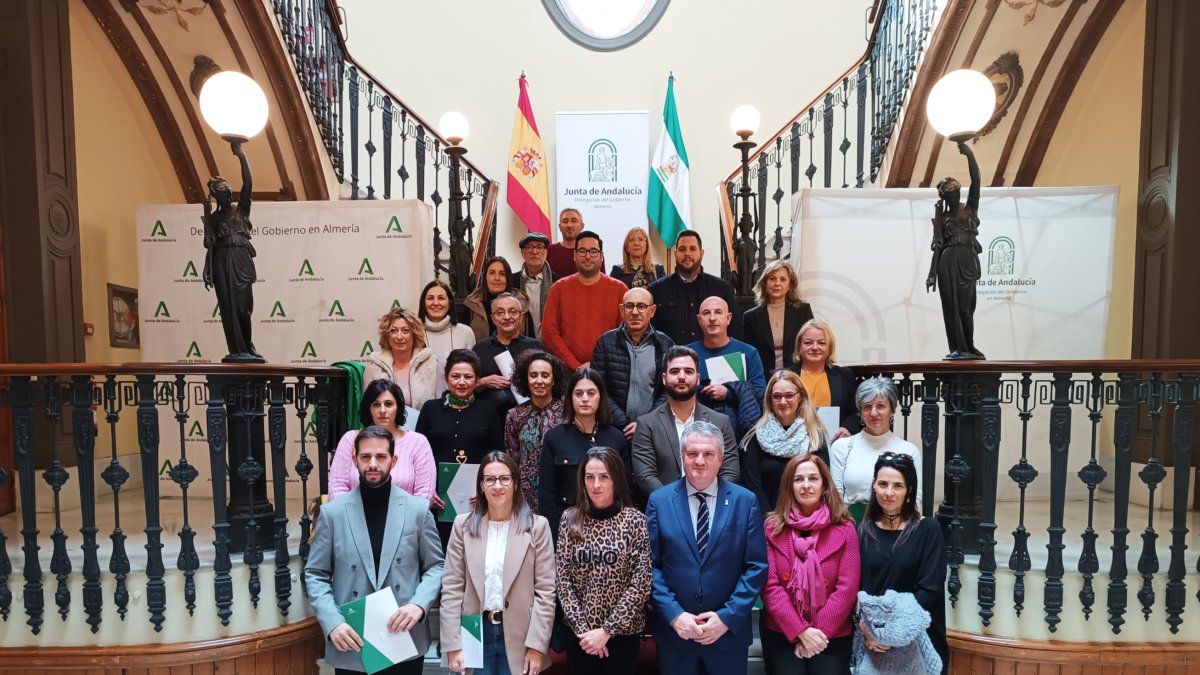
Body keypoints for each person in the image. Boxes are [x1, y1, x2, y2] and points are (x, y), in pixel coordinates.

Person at [305, 426, 444, 675]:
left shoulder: (417, 510)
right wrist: (332, 622)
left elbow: (436, 566)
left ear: (394, 460)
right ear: (354, 459)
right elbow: (315, 574)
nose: (372, 464)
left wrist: (419, 605)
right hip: (351, 638)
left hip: (404, 635)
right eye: (365, 456)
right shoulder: (332, 513)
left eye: (381, 457)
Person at [646, 420, 767, 675]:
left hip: (727, 636)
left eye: (708, 454)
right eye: (692, 454)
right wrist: (675, 615)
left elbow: (756, 567)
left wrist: (726, 617)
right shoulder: (660, 501)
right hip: (676, 635)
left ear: (721, 459)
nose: (699, 461)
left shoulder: (745, 502)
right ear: (682, 457)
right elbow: (650, 567)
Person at [441, 452, 556, 675]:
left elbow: (546, 592)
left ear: (515, 483)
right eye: (490, 479)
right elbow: (452, 588)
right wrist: (452, 645)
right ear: (481, 486)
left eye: (504, 478)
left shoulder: (538, 526)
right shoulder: (462, 525)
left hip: (521, 635)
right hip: (475, 632)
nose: (497, 486)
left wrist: (537, 646)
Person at [555, 448, 651, 674]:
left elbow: (641, 584)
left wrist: (607, 631)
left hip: (623, 635)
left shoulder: (635, 521)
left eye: (604, 477)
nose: (596, 484)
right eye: (590, 477)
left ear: (616, 479)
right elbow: (562, 580)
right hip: (580, 637)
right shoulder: (569, 519)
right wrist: (586, 633)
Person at [760, 454, 859, 674]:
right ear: (789, 486)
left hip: (830, 635)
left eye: (813, 478)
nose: (806, 485)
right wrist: (800, 631)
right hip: (782, 632)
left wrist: (815, 634)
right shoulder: (772, 528)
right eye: (798, 479)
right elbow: (770, 587)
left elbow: (847, 588)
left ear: (824, 484)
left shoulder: (845, 527)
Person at [857, 452, 947, 674]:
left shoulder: (928, 529)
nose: (889, 492)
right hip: (874, 640)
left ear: (909, 491)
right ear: (874, 486)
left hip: (916, 636)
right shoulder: (864, 530)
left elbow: (930, 588)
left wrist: (893, 631)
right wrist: (868, 629)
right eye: (883, 484)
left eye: (898, 485)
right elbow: (859, 589)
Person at [416, 349, 505, 546]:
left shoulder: (488, 411)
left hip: (477, 501)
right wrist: (428, 491)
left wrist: (485, 490)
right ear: (446, 378)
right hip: (437, 501)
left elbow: (498, 455)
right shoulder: (430, 409)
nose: (462, 382)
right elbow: (419, 456)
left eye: (468, 376)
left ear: (477, 379)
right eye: (456, 376)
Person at [632, 346, 738, 494]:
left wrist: (707, 499)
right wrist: (675, 504)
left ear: (698, 378)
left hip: (713, 507)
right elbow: (645, 476)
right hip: (666, 510)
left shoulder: (721, 422)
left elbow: (730, 471)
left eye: (688, 371)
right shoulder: (646, 424)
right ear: (664, 378)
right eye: (675, 371)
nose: (681, 377)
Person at [539, 369, 628, 537]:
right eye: (578, 393)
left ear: (601, 397)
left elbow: (624, 492)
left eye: (591, 393)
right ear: (570, 398)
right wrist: (552, 537)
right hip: (568, 527)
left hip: (611, 528)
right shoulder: (554, 438)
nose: (585, 399)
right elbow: (547, 495)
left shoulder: (616, 438)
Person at [830, 377, 922, 523]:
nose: (873, 413)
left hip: (895, 528)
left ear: (892, 410)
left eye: (880, 406)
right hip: (851, 526)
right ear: (860, 411)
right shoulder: (841, 447)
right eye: (867, 407)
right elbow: (835, 498)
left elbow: (915, 500)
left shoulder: (909, 450)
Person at [328, 379, 436, 501]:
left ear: (398, 407)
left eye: (388, 404)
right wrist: (351, 516)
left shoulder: (418, 443)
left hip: (406, 518)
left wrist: (404, 517)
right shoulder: (350, 439)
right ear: (368, 408)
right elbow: (336, 488)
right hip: (353, 517)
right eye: (376, 404)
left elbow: (425, 493)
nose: (382, 410)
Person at [590, 287, 674, 441]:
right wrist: (624, 423)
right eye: (629, 306)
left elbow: (669, 389)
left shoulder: (665, 344)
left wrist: (646, 423)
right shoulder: (605, 342)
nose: (635, 312)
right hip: (613, 430)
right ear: (622, 310)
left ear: (652, 311)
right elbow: (597, 387)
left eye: (641, 306)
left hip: (654, 430)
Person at [202, 143, 261, 361]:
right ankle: (236, 350)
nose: (226, 198)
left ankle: (248, 346)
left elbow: (249, 182)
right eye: (221, 195)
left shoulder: (242, 209)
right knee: (228, 308)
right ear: (216, 197)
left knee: (244, 309)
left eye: (227, 193)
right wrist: (207, 269)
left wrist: (241, 154)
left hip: (241, 259)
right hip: (221, 261)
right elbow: (210, 245)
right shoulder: (214, 218)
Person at [741, 370, 830, 515]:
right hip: (767, 522)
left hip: (808, 522)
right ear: (770, 399)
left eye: (789, 395)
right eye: (777, 396)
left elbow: (824, 485)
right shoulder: (755, 437)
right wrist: (770, 522)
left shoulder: (814, 437)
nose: (783, 402)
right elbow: (753, 486)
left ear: (800, 397)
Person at [926, 141, 984, 360]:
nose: (955, 198)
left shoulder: (970, 208)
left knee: (966, 308)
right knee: (950, 308)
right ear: (944, 198)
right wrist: (932, 275)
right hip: (948, 261)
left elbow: (977, 180)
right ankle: (956, 349)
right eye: (951, 196)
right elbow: (938, 246)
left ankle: (969, 347)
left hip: (967, 258)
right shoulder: (942, 217)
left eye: (957, 193)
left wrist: (969, 154)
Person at [541, 230, 628, 369]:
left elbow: (625, 333)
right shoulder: (558, 289)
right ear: (575, 255)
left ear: (602, 256)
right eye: (582, 251)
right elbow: (548, 333)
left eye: (593, 251)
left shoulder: (620, 289)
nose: (588, 256)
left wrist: (600, 365)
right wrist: (575, 366)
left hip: (609, 370)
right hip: (567, 371)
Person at [688, 295, 766, 437]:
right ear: (699, 320)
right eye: (706, 313)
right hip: (696, 431)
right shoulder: (687, 354)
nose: (712, 318)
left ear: (728, 318)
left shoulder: (749, 352)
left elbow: (761, 395)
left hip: (740, 433)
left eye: (718, 312)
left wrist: (729, 392)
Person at [648, 229, 742, 346]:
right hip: (670, 360)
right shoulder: (656, 290)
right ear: (675, 253)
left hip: (712, 360)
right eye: (682, 249)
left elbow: (736, 329)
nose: (687, 253)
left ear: (701, 253)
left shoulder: (720, 288)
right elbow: (648, 332)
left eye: (692, 249)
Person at [505, 350, 568, 511]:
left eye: (545, 375)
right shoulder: (515, 415)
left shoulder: (567, 414)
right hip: (524, 496)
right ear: (526, 379)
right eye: (533, 375)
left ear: (554, 380)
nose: (539, 381)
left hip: (560, 491)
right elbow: (512, 460)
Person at [473, 292, 546, 423]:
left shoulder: (535, 347)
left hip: (531, 419)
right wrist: (484, 381)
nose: (507, 317)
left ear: (521, 317)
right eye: (500, 313)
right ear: (493, 318)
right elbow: (467, 386)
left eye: (512, 311)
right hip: (490, 420)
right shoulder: (480, 349)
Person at [790, 320, 859, 442]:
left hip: (834, 443)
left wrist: (847, 428)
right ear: (799, 346)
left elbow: (855, 412)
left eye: (821, 343)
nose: (815, 347)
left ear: (829, 348)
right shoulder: (787, 376)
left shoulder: (845, 376)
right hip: (794, 443)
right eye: (808, 343)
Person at [743, 260, 814, 372]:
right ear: (765, 284)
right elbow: (748, 354)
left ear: (790, 285)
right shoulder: (751, 317)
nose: (777, 283)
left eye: (783, 279)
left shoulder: (802, 311)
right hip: (764, 378)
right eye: (772, 279)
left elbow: (810, 345)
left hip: (797, 376)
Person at [363, 307, 438, 411]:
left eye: (405, 331)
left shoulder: (432, 364)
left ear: (414, 334)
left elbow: (441, 406)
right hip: (384, 426)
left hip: (424, 426)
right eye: (393, 331)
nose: (399, 336)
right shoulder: (374, 366)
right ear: (387, 335)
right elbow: (368, 407)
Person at [420, 279, 476, 398]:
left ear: (450, 303)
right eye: (430, 298)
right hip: (421, 404)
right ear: (423, 303)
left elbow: (471, 372)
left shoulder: (465, 332)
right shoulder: (414, 333)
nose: (436, 303)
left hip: (458, 401)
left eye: (441, 298)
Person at [462, 256, 533, 343]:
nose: (497, 278)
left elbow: (530, 339)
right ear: (485, 276)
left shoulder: (522, 303)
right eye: (492, 273)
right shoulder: (472, 304)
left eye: (502, 274)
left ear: (508, 278)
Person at [511, 231, 559, 338]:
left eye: (539, 247)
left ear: (546, 253)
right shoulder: (511, 282)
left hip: (550, 344)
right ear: (522, 253)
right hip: (519, 343)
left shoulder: (558, 282)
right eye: (529, 247)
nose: (534, 251)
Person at [548, 208, 584, 277]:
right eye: (565, 221)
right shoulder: (549, 251)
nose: (569, 225)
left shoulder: (592, 253)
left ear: (582, 226)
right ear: (559, 226)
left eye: (574, 221)